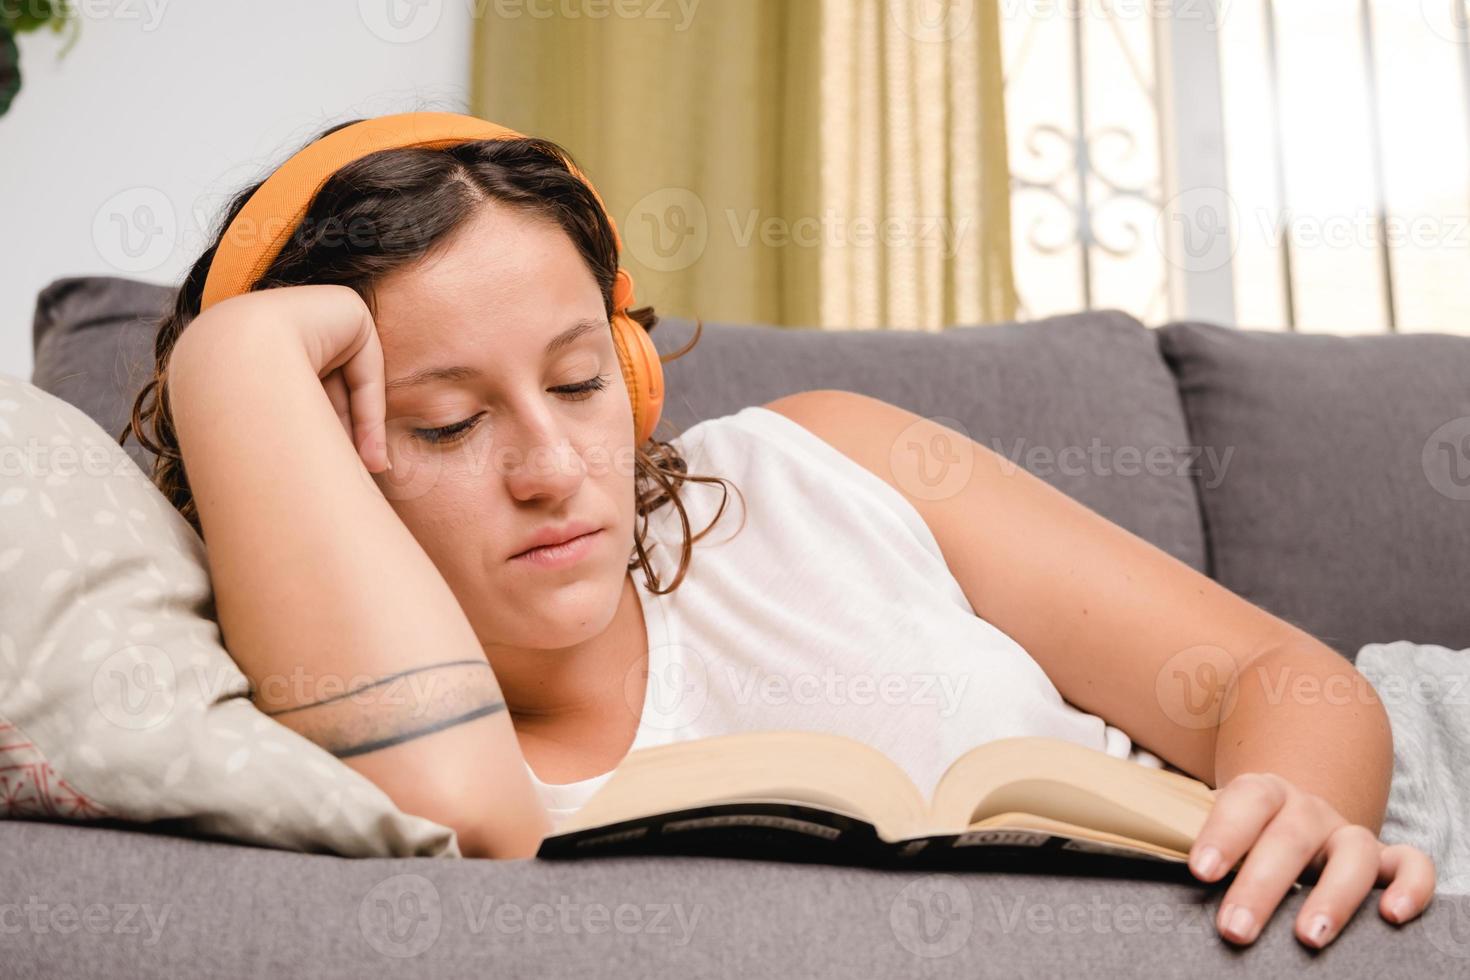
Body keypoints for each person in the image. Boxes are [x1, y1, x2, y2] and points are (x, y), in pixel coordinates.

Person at [126, 111, 1435, 949]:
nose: (549, 469)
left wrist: (1299, 824)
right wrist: (233, 364)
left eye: (581, 385)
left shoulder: (821, 463)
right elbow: (462, 818)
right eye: (446, 423)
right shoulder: (320, 723)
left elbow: (1293, 678)